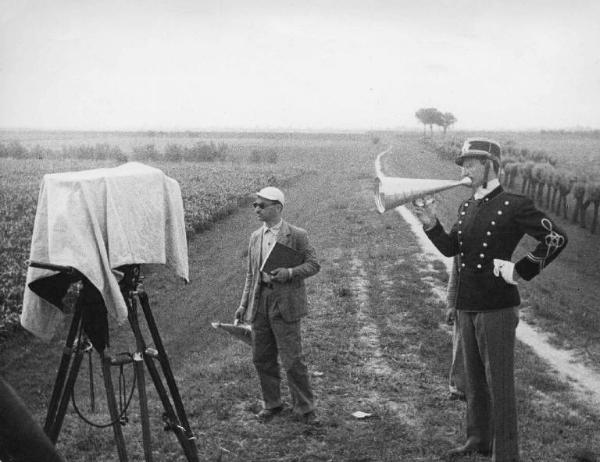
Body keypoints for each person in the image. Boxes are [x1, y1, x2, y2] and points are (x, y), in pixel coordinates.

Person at [413, 138, 567, 462]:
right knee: (474, 381)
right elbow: (450, 248)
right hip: (468, 304)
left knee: (500, 385)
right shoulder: (467, 205)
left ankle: (506, 454)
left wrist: (520, 269)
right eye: (463, 163)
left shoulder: (514, 203)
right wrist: (430, 221)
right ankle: (478, 440)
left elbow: (556, 238)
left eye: (471, 162)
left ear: (491, 165)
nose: (465, 168)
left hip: (497, 306)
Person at [235, 186, 320, 424]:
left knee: (292, 359)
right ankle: (272, 404)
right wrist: (244, 305)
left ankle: (305, 407)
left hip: (285, 303)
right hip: (260, 302)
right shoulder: (255, 237)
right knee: (262, 357)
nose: (256, 209)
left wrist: (290, 272)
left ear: (278, 208)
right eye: (255, 205)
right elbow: (251, 275)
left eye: (262, 205)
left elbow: (314, 265)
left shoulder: (297, 235)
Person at [446, 256, 465, 401]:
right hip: (464, 303)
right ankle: (458, 388)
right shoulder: (460, 236)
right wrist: (451, 304)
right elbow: (455, 275)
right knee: (460, 345)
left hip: (488, 304)